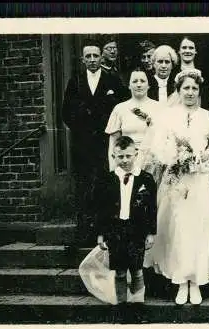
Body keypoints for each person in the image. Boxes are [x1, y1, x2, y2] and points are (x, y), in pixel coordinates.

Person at [143, 69, 209, 305]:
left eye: (194, 89)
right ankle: (180, 281)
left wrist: (203, 157)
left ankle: (196, 280)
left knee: (198, 226)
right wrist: (174, 157)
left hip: (199, 179)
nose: (190, 92)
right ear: (178, 91)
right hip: (175, 180)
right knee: (178, 227)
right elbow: (158, 148)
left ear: (199, 92)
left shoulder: (207, 116)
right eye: (186, 88)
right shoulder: (167, 117)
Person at [62, 38, 126, 256]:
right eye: (87, 56)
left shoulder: (112, 79)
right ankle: (83, 235)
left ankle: (105, 232)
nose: (91, 60)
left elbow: (122, 106)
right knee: (83, 189)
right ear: (82, 59)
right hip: (83, 145)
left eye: (95, 56)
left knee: (104, 186)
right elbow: (66, 113)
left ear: (101, 57)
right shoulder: (76, 81)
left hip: (104, 144)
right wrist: (83, 123)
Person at [94, 136, 157, 305]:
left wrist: (151, 233)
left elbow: (152, 208)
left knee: (137, 270)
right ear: (114, 157)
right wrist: (101, 235)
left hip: (137, 230)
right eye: (120, 156)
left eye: (128, 156)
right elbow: (101, 209)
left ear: (135, 155)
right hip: (115, 230)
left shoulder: (146, 179)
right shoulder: (106, 180)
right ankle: (121, 305)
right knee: (120, 271)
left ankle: (137, 304)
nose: (125, 160)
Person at [105, 67, 163, 177]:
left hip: (153, 163)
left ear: (149, 85)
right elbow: (113, 142)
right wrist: (113, 170)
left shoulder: (159, 108)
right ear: (129, 85)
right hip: (127, 162)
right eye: (135, 81)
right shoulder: (120, 109)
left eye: (142, 81)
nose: (139, 84)